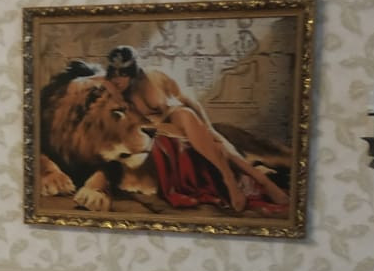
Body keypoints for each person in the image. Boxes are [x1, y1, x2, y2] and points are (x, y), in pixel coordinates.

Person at [104, 46, 288, 210]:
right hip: (157, 128)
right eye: (114, 74)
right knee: (202, 134)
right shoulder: (117, 90)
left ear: (133, 71)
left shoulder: (155, 77)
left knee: (194, 121)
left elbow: (190, 102)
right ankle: (249, 180)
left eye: (123, 74)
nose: (118, 80)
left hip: (179, 117)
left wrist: (210, 128)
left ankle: (244, 180)